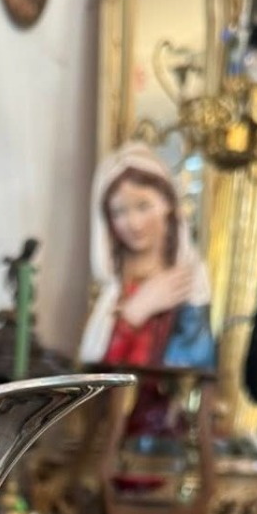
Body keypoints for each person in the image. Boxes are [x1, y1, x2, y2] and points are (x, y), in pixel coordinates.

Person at [79, 142, 214, 371]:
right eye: (119, 212)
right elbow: (98, 375)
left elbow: (191, 365)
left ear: (167, 203)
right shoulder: (112, 290)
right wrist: (135, 312)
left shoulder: (188, 282)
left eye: (143, 206)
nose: (133, 223)